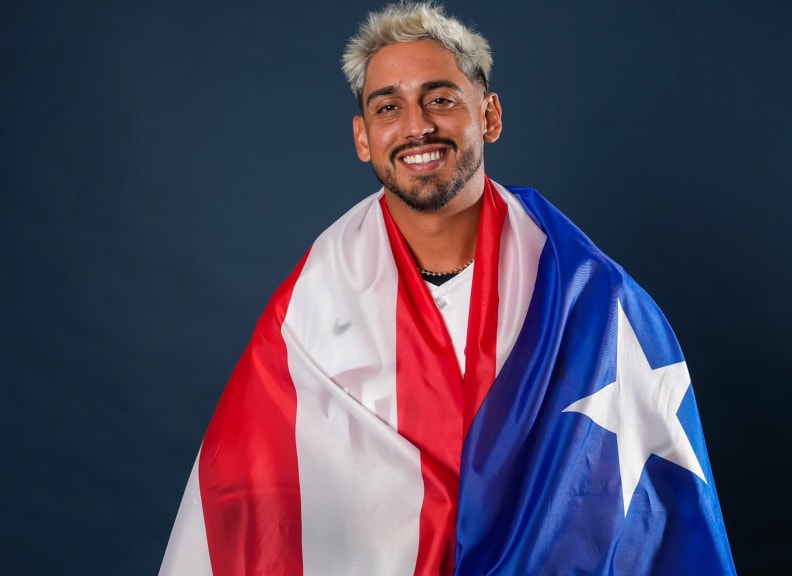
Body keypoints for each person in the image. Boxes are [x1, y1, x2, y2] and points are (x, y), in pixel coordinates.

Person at [160, 2, 735, 574]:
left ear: (489, 116)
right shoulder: (311, 305)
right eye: (389, 107)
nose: (417, 127)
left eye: (440, 99)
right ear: (363, 137)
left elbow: (646, 513)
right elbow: (247, 498)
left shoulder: (589, 298)